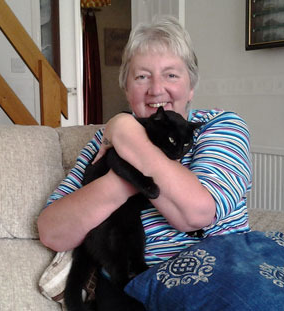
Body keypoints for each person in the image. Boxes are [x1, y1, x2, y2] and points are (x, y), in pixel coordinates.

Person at [38, 15, 252, 276]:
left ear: (191, 86)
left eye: (171, 74)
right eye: (142, 77)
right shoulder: (104, 140)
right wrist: (127, 167)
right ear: (127, 90)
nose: (156, 89)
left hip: (225, 270)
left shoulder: (219, 125)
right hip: (135, 282)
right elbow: (52, 232)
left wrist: (127, 135)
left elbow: (196, 214)